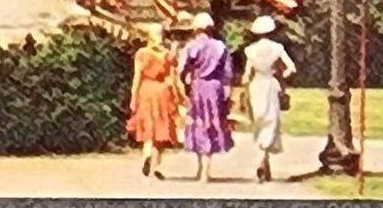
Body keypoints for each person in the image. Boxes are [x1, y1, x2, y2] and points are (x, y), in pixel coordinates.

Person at [177, 10, 235, 181]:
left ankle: (201, 169)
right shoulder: (220, 47)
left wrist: (185, 82)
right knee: (212, 124)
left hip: (198, 87)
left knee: (198, 124)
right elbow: (228, 73)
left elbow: (181, 69)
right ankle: (205, 171)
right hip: (215, 88)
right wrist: (228, 92)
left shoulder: (191, 46)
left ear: (196, 29)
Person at [241, 13, 299, 181]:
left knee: (259, 122)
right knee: (271, 122)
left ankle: (265, 163)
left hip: (256, 86)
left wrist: (244, 92)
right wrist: (282, 76)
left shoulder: (250, 50)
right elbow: (291, 68)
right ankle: (263, 160)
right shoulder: (277, 48)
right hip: (270, 85)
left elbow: (247, 75)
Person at [127, 23, 185, 178]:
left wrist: (133, 97)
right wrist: (179, 95)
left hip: (148, 91)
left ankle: (148, 156)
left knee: (151, 127)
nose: (160, 36)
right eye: (158, 33)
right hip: (160, 92)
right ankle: (154, 164)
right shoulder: (166, 54)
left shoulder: (143, 53)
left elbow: (137, 76)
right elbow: (173, 77)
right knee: (160, 129)